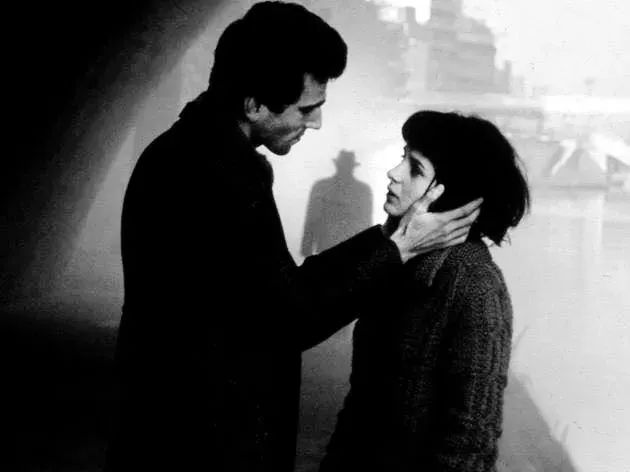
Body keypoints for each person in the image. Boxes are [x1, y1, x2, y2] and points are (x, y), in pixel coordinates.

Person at [104, 3, 481, 471]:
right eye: (307, 108)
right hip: (200, 445)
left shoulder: (189, 152)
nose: (317, 122)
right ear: (254, 104)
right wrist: (399, 249)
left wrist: (389, 237)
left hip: (170, 433)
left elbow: (281, 287)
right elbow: (289, 318)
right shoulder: (219, 177)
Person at [320, 110, 530, 472]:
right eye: (403, 157)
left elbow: (470, 441)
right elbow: (361, 406)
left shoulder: (472, 281)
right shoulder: (401, 263)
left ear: (449, 194)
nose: (393, 173)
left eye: (415, 169)